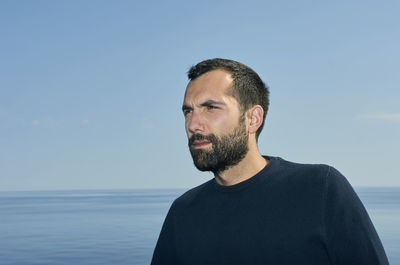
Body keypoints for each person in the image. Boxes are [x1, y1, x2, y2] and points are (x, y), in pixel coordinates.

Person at [150, 58, 389, 265]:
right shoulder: (182, 213)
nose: (192, 125)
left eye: (210, 108)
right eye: (188, 111)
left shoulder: (321, 189)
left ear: (253, 118)